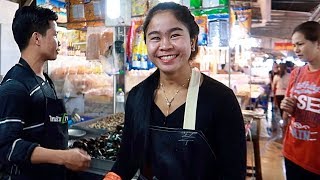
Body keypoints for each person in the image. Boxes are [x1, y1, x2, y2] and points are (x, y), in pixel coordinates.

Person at [104, 2, 247, 180]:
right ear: (147, 44)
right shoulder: (137, 97)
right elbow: (127, 159)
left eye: (175, 35)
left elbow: (233, 172)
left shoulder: (221, 99)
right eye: (155, 38)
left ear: (192, 41)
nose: (165, 45)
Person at [0, 6, 91, 179]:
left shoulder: (45, 80)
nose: (59, 42)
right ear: (37, 38)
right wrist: (63, 157)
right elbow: (7, 146)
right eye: (55, 35)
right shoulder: (15, 86)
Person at [280, 21, 320, 179]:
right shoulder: (296, 74)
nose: (295, 50)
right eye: (294, 45)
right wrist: (286, 107)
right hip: (292, 153)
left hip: (316, 159)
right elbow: (286, 116)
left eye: (300, 44)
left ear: (317, 43)